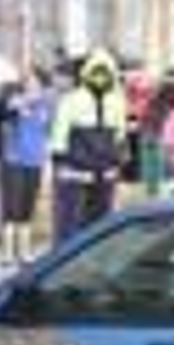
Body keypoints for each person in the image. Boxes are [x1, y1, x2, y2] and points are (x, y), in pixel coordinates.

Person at [49, 48, 126, 243]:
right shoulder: (117, 101)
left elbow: (58, 139)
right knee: (96, 230)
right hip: (99, 173)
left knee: (69, 229)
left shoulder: (71, 100)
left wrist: (58, 165)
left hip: (76, 173)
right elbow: (120, 139)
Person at [0, 65, 53, 259]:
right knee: (11, 206)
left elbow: (49, 132)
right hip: (14, 159)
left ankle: (24, 250)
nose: (29, 83)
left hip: (35, 160)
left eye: (33, 80)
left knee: (27, 206)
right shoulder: (14, 101)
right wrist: (24, 103)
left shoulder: (46, 106)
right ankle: (7, 251)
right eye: (27, 80)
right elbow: (7, 110)